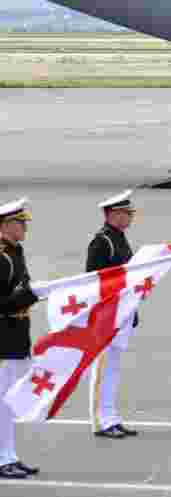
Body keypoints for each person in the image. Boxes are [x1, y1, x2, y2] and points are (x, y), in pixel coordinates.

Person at [87, 190, 140, 438]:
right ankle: (101, 419)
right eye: (125, 213)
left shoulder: (119, 238)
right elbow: (93, 282)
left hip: (122, 312)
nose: (129, 217)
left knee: (113, 369)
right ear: (112, 214)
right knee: (103, 368)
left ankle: (111, 416)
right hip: (108, 314)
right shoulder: (102, 241)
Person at [0, 199, 40, 478]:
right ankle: (3, 459)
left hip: (16, 336)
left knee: (9, 401)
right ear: (4, 226)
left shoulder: (16, 252)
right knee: (2, 402)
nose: (24, 227)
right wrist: (20, 299)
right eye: (19, 222)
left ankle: (9, 455)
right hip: (2, 337)